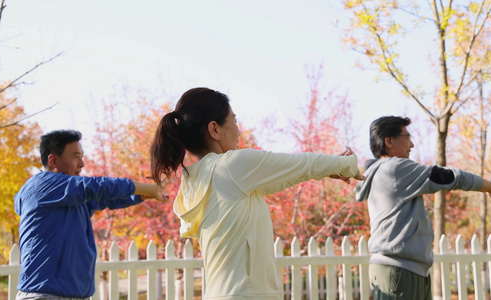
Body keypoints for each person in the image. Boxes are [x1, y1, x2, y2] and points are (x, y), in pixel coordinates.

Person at [150, 87, 364, 299]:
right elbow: (299, 164)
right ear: (214, 129)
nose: (239, 131)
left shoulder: (195, 178)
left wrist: (330, 170)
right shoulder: (232, 165)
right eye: (234, 121)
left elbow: (289, 174)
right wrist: (347, 164)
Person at [354, 116, 491, 300]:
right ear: (389, 141)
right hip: (399, 272)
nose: (412, 145)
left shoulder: (380, 172)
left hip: (404, 270)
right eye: (407, 137)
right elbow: (449, 177)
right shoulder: (395, 168)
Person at [14, 129, 163, 300]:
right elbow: (95, 186)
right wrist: (147, 188)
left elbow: (104, 197)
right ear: (53, 160)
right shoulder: (41, 186)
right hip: (43, 294)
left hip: (72, 294)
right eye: (75, 156)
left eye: (82, 156)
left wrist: (140, 195)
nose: (82, 164)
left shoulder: (68, 196)